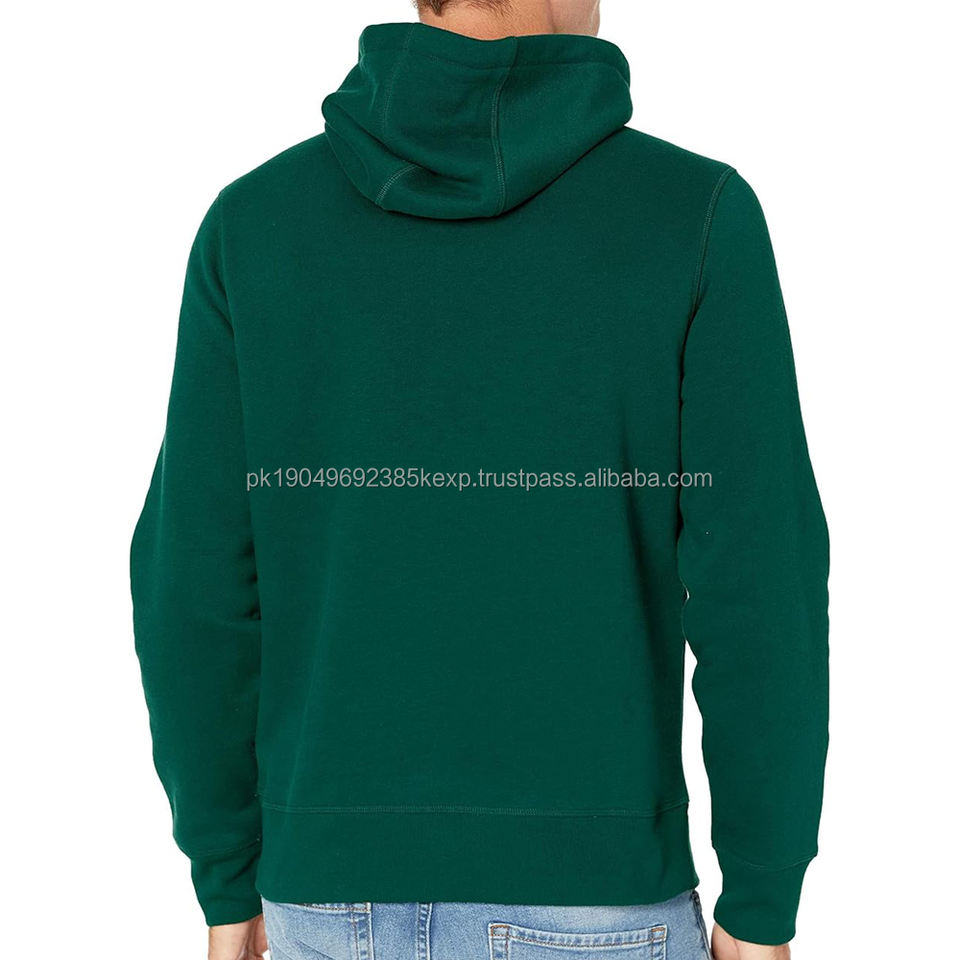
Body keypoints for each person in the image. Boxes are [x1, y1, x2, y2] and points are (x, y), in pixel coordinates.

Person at [129, 1, 830, 958]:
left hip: (326, 901)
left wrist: (225, 872)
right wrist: (762, 896)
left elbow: (193, 587)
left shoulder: (253, 225)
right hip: (595, 898)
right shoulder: (694, 215)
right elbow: (760, 585)